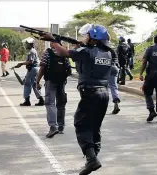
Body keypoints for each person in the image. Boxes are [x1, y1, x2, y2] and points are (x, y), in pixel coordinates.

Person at [41, 23, 112, 175]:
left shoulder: (86, 52)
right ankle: (93, 157)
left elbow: (62, 52)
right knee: (95, 127)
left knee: (81, 123)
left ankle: (92, 159)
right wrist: (80, 44)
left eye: (86, 36)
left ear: (94, 38)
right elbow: (86, 54)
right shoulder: (108, 53)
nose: (83, 38)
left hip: (90, 93)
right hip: (104, 94)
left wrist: (52, 40)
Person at [36, 42, 72, 138]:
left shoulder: (47, 53)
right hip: (61, 82)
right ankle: (61, 126)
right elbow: (69, 69)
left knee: (50, 103)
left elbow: (42, 68)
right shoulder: (64, 53)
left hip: (50, 81)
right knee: (61, 104)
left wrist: (37, 81)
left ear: (52, 43)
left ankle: (53, 127)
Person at [15, 37, 44, 106]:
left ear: (30, 44)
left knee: (27, 84)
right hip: (35, 69)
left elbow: (30, 61)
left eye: (27, 44)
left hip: (33, 69)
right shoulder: (33, 51)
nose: (26, 45)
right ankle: (41, 99)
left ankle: (27, 100)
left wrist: (21, 64)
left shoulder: (31, 51)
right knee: (35, 84)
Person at [109, 48, 121, 114]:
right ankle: (116, 101)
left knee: (102, 87)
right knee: (113, 86)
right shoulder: (113, 49)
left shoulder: (102, 50)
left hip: (107, 68)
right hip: (115, 68)